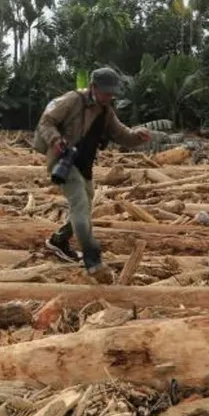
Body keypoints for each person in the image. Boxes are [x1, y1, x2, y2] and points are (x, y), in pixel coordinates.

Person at [34, 67, 152, 281]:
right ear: (93, 87)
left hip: (84, 165)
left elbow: (120, 133)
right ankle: (93, 260)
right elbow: (46, 121)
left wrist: (137, 136)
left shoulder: (106, 110)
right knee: (80, 203)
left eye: (111, 92)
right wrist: (54, 140)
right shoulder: (72, 100)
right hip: (65, 163)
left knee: (85, 209)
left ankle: (59, 241)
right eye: (106, 92)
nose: (109, 96)